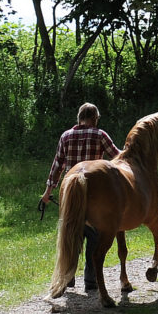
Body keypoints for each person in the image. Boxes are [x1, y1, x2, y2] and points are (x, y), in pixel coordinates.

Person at [40, 103, 119, 289]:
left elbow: (57, 166)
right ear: (95, 118)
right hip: (94, 193)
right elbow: (118, 157)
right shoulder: (100, 135)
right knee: (94, 235)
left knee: (71, 232)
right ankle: (91, 279)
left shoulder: (66, 136)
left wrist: (47, 193)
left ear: (79, 117)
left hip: (70, 193)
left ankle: (68, 277)